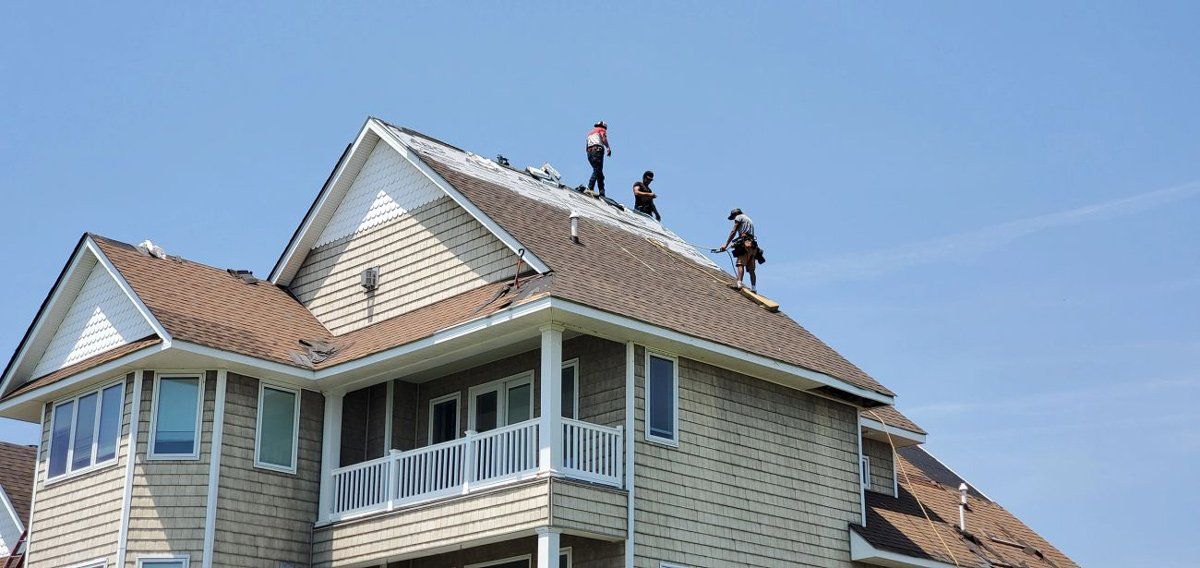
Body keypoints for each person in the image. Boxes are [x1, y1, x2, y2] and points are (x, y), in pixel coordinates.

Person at [716, 208, 765, 292]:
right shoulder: (748, 219)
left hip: (745, 245)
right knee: (751, 270)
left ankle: (739, 284)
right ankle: (754, 289)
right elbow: (745, 234)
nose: (734, 220)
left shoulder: (739, 217)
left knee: (740, 264)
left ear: (735, 214)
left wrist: (726, 245)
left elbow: (733, 231)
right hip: (753, 247)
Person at [585, 121, 611, 197]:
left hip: (590, 153)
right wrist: (608, 147)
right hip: (597, 151)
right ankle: (590, 188)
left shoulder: (590, 133)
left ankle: (602, 192)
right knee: (597, 170)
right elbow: (603, 138)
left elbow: (587, 145)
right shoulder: (601, 129)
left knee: (599, 172)